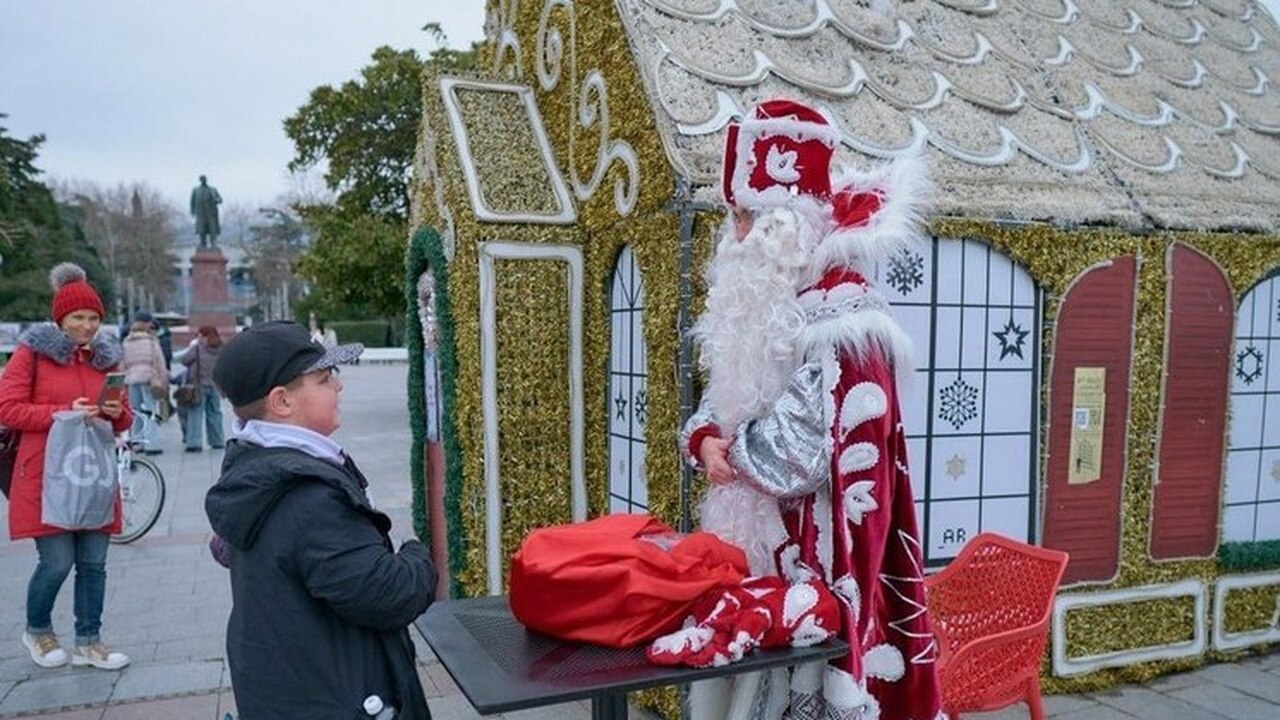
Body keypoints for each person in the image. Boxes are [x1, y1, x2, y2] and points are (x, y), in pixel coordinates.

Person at [679, 99, 942, 719]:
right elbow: (723, 403)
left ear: (786, 223)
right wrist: (704, 440)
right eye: (732, 218)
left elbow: (804, 451)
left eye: (746, 219)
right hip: (757, 562)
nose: (735, 238)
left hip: (818, 571)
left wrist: (732, 447)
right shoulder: (768, 304)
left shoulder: (846, 320)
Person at [205, 320, 437, 719]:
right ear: (282, 402)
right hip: (335, 697)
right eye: (325, 377)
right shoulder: (307, 496)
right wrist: (419, 554)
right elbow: (388, 594)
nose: (339, 386)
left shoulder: (258, 466)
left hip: (295, 686)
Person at [0, 262, 133, 671]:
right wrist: (63, 413)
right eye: (79, 317)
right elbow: (7, 408)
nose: (87, 325)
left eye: (94, 318)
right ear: (60, 318)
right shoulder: (32, 354)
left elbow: (124, 417)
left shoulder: (106, 359)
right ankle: (38, 630)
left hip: (91, 473)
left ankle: (89, 641)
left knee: (94, 562)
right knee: (57, 561)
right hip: (46, 475)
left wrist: (112, 412)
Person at [121, 315, 167, 454]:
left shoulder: (126, 342)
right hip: (149, 379)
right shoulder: (152, 342)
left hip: (131, 379)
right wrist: (163, 378)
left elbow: (122, 363)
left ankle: (137, 443)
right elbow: (160, 362)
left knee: (135, 412)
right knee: (150, 411)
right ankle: (152, 445)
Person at [181, 326, 225, 452]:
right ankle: (217, 441)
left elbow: (184, 360)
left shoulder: (197, 349)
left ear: (203, 336)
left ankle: (194, 443)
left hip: (199, 386)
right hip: (216, 386)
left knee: (195, 413)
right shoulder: (221, 349)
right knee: (215, 413)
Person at [190, 174, 222, 249]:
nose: (203, 180)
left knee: (212, 228)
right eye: (201, 179)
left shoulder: (212, 189)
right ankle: (202, 243)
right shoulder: (196, 190)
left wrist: (216, 200)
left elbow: (220, 199)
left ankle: (213, 243)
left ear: (206, 180)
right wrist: (193, 211)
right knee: (202, 228)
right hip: (201, 213)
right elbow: (192, 202)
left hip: (211, 213)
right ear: (200, 180)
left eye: (204, 179)